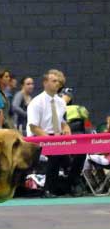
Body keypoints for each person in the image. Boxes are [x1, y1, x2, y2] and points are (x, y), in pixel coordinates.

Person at [27, 70, 72, 198]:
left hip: (57, 137)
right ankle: (48, 189)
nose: (57, 84)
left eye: (58, 81)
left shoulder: (61, 102)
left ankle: (70, 186)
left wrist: (66, 127)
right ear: (45, 83)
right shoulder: (36, 102)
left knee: (80, 154)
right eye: (54, 81)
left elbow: (62, 121)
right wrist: (50, 141)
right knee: (56, 153)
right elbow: (34, 127)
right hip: (39, 138)